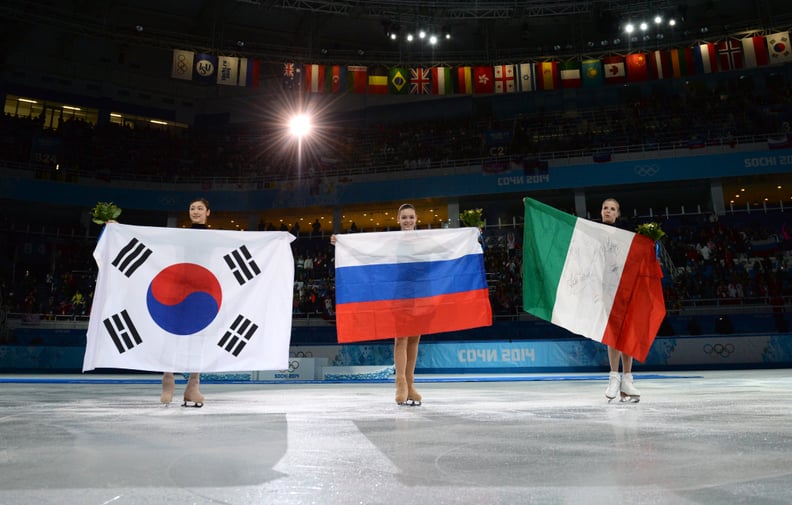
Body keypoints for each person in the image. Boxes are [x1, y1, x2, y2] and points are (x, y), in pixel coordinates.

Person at [330, 203, 423, 406]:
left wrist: (470, 235)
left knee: (415, 339)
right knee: (401, 338)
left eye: (411, 217)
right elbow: (369, 250)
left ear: (417, 219)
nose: (408, 220)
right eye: (404, 217)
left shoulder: (424, 241)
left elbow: (446, 248)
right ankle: (400, 384)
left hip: (419, 292)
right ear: (398, 220)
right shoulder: (390, 240)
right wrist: (343, 243)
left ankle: (411, 384)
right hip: (398, 293)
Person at [160, 197, 211, 408]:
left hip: (203, 291)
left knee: (198, 338)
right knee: (173, 334)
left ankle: (193, 385)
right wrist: (118, 230)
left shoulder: (217, 236)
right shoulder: (180, 235)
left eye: (200, 208)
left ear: (208, 212)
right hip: (181, 289)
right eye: (192, 208)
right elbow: (153, 240)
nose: (195, 211)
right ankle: (168, 379)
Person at [600, 197, 641, 402]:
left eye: (612, 209)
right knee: (614, 333)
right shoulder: (593, 232)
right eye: (605, 208)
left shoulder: (626, 235)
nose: (608, 211)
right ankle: (614, 377)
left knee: (626, 333)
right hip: (606, 289)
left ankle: (627, 380)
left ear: (617, 214)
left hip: (625, 287)